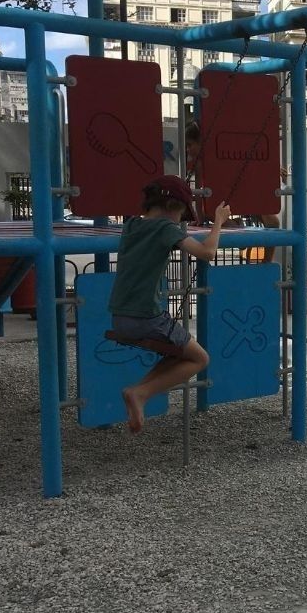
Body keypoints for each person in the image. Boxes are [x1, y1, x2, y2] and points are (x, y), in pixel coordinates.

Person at [108, 175, 231, 434]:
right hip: (146, 317)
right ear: (174, 207)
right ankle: (141, 393)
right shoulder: (166, 229)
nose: (182, 221)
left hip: (120, 317)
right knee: (200, 358)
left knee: (177, 352)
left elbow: (164, 237)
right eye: (183, 214)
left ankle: (138, 391)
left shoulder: (131, 225)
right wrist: (218, 221)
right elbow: (207, 253)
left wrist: (179, 230)